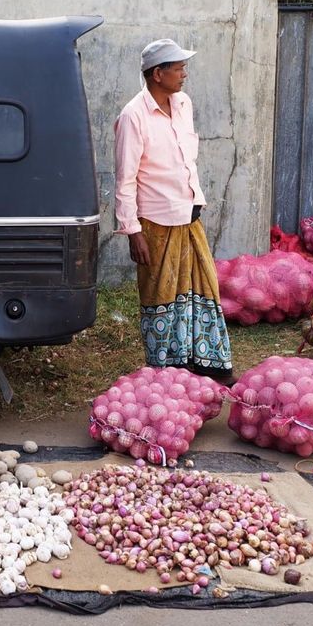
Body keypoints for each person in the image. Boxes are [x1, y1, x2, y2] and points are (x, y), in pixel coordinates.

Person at [113, 39, 233, 380]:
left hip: (189, 217)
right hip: (156, 224)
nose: (184, 74)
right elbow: (125, 179)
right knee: (162, 298)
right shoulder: (133, 116)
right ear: (157, 74)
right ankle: (168, 374)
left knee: (203, 291)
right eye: (178, 68)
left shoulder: (183, 104)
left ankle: (210, 367)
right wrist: (133, 231)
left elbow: (186, 160)